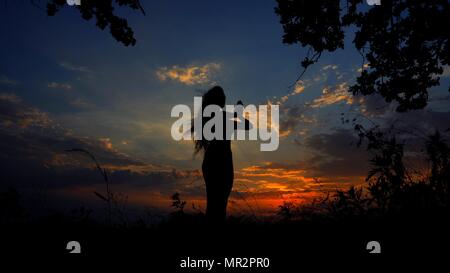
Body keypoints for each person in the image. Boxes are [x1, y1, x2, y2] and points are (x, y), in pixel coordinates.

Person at [193, 86, 252, 222]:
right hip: (222, 162)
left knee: (213, 205)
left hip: (211, 161)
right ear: (221, 100)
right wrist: (239, 113)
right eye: (223, 96)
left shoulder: (207, 117)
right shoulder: (223, 116)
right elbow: (248, 126)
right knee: (219, 206)